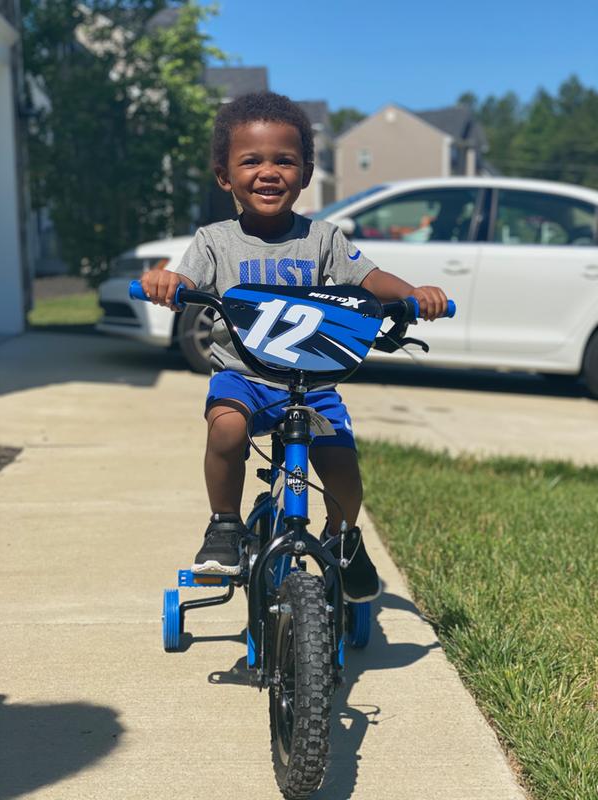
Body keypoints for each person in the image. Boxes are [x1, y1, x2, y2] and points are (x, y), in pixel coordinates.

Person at [141, 92, 447, 602]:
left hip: (312, 381)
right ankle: (224, 525)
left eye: (284, 160)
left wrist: (412, 294)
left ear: (305, 174)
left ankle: (343, 538)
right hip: (244, 376)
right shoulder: (215, 241)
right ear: (224, 176)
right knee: (227, 428)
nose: (268, 172)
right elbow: (183, 279)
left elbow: (369, 277)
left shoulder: (322, 238)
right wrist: (164, 282)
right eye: (251, 161)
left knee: (342, 464)